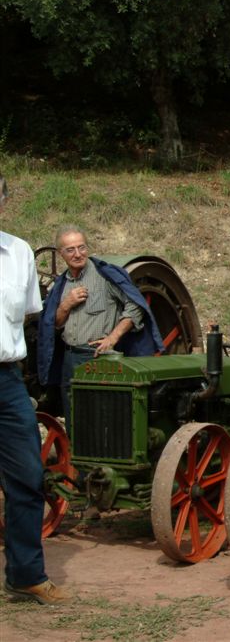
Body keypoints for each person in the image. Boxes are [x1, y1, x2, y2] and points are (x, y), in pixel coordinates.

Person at [0, 176, 70, 605]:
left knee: (27, 476)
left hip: (7, 380)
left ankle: (26, 575)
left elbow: (28, 315)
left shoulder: (19, 252)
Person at [36, 225, 164, 416]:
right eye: (70, 250)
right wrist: (66, 305)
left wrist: (113, 338)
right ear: (61, 253)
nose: (78, 254)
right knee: (73, 414)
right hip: (70, 358)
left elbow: (135, 306)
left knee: (100, 416)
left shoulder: (105, 276)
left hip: (98, 357)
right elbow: (54, 324)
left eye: (82, 247)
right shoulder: (61, 285)